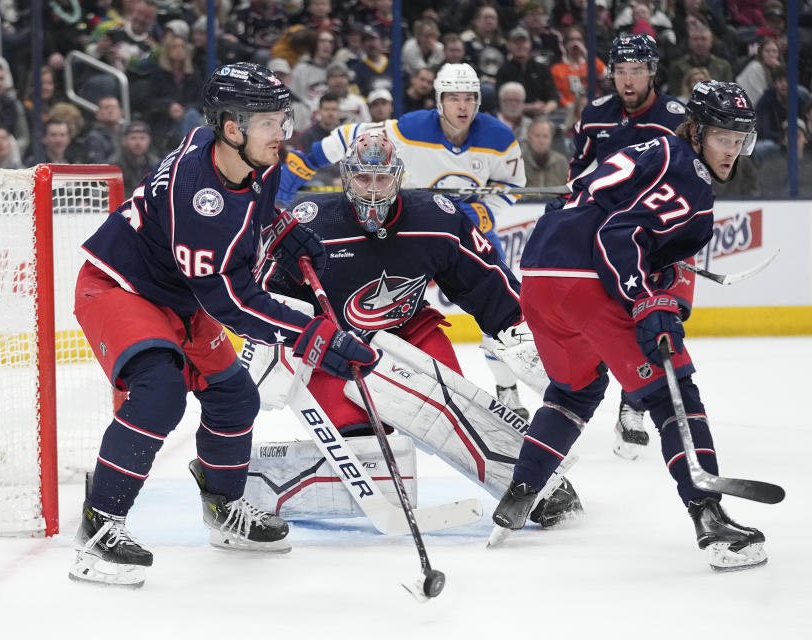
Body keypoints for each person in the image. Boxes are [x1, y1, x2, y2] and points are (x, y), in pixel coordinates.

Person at [68, 62, 378, 588]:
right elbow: (233, 303)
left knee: (235, 398)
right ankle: (99, 529)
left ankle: (224, 508)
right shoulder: (199, 199)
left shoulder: (248, 156)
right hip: (120, 286)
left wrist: (278, 230)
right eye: (269, 122)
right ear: (232, 129)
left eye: (283, 117)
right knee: (160, 392)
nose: (282, 132)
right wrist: (312, 337)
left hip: (180, 294)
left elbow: (252, 213)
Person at [490, 80, 769, 572]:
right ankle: (711, 519)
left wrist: (652, 278)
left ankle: (523, 489)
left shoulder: (654, 147)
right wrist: (646, 301)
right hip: (586, 278)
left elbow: (588, 203)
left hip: (538, 274)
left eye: (739, 139)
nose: (732, 150)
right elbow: (618, 234)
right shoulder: (692, 184)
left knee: (573, 391)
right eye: (723, 137)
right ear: (698, 131)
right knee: (672, 394)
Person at [251, 129, 580, 525]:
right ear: (345, 177)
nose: (373, 190)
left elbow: (482, 277)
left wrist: (516, 323)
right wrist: (285, 346)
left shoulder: (436, 218)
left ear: (399, 176)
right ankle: (254, 479)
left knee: (451, 410)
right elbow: (266, 298)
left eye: (383, 178)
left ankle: (539, 484)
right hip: (335, 350)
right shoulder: (310, 223)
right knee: (369, 456)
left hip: (410, 334)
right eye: (363, 178)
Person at [276, 62, 533, 419]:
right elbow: (354, 138)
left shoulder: (499, 137)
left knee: (494, 301)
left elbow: (513, 185)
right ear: (439, 100)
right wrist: (307, 161)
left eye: (470, 98)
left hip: (463, 225)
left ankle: (507, 387)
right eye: (454, 98)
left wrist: (486, 211)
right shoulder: (411, 128)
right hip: (412, 220)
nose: (462, 106)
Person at [561, 35, 690, 458]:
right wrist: (575, 194)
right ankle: (620, 394)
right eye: (620, 71)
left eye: (636, 71)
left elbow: (688, 176)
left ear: (652, 72)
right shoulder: (596, 114)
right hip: (609, 235)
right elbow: (579, 167)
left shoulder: (674, 116)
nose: (628, 79)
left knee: (656, 316)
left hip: (655, 233)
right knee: (609, 319)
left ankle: (632, 405)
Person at [113, 120, 158, 197]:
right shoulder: (115, 165)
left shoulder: (157, 165)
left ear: (149, 140)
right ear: (124, 140)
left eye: (142, 138)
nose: (138, 143)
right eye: (133, 138)